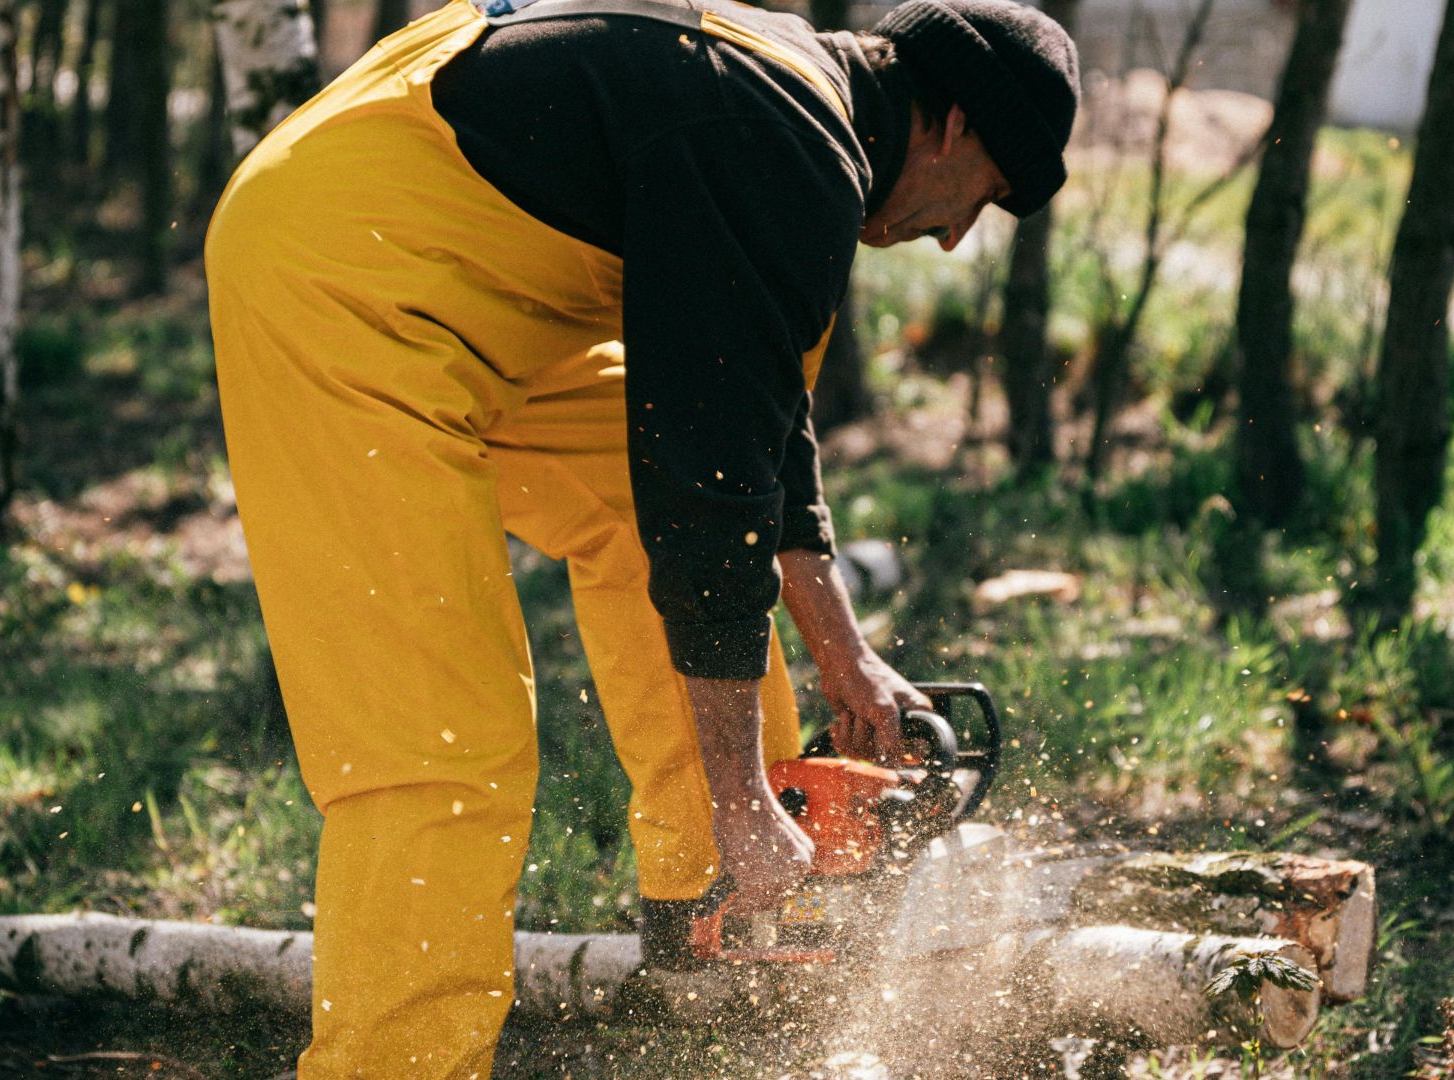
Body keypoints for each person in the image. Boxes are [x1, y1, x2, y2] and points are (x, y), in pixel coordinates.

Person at [205, 0, 1077, 1072]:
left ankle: (721, 897)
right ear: (948, 123)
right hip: (343, 281)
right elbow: (704, 500)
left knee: (640, 503)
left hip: (463, 271)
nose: (952, 236)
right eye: (979, 199)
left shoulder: (794, 115)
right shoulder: (783, 145)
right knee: (443, 750)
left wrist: (846, 657)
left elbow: (756, 435)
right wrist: (741, 789)